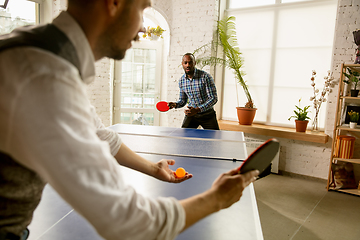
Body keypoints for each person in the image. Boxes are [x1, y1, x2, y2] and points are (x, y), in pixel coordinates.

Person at [0, 1, 259, 240]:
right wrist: (216, 199)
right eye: (142, 9)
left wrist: (153, 169)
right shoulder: (43, 75)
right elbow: (127, 221)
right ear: (114, 3)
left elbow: (100, 134)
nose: (143, 28)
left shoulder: (37, 51)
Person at [168, 53, 220, 130]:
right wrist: (175, 104)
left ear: (194, 63)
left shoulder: (205, 77)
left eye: (190, 62)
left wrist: (197, 109)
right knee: (183, 138)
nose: (187, 65)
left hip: (208, 115)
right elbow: (183, 101)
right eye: (185, 63)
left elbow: (213, 98)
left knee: (214, 140)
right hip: (191, 115)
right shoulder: (182, 81)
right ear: (182, 64)